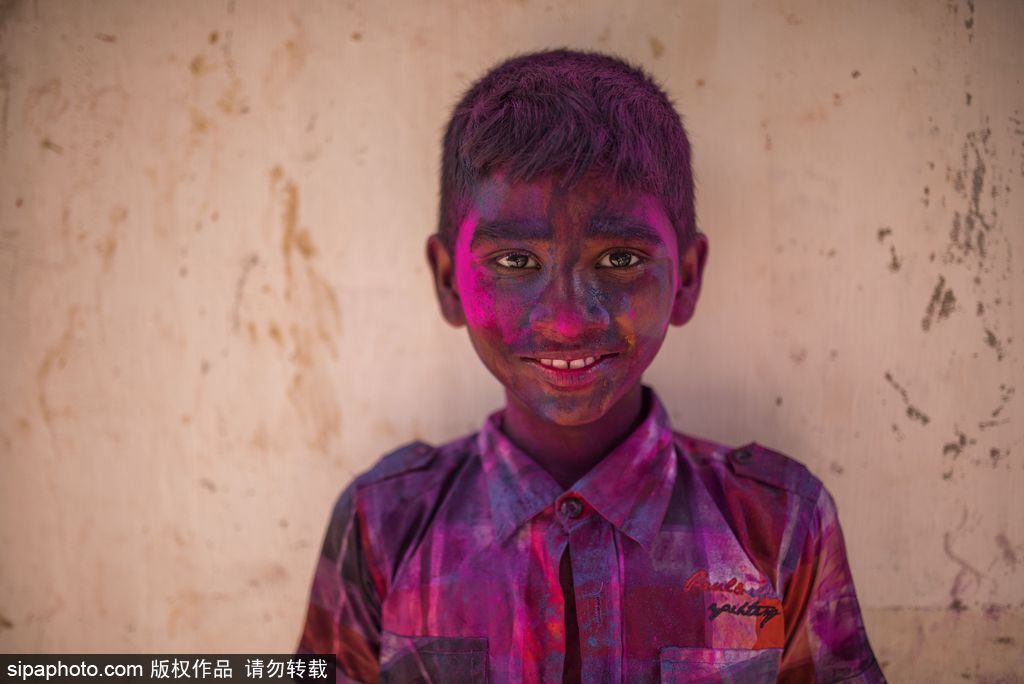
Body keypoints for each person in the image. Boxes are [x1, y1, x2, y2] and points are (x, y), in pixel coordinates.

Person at [296, 48, 885, 683]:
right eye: (516, 262)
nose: (568, 320)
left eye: (621, 259)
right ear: (447, 282)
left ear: (685, 279)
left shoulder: (778, 525)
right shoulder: (384, 522)